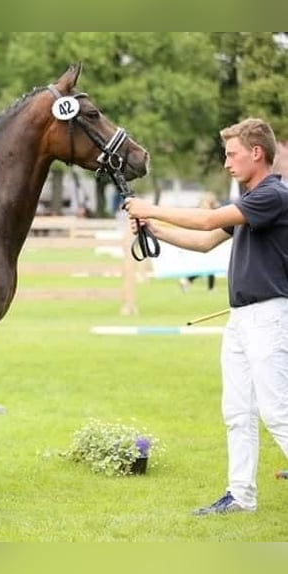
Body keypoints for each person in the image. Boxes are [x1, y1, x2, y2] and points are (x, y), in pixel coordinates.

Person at [124, 117, 288, 516]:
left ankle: (241, 495)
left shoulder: (272, 195)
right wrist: (155, 229)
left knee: (277, 411)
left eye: (232, 154)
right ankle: (240, 496)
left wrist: (151, 207)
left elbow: (208, 220)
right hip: (241, 319)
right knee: (237, 413)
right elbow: (202, 241)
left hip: (269, 317)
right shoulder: (251, 202)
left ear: (256, 153)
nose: (226, 163)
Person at [179, 192, 220, 292]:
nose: (204, 205)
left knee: (210, 266)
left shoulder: (215, 213)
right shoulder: (200, 214)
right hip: (202, 242)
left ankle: (208, 286)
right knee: (206, 266)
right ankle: (188, 280)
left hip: (212, 241)